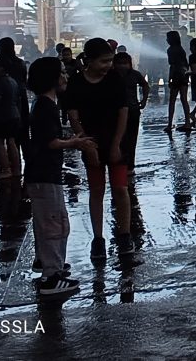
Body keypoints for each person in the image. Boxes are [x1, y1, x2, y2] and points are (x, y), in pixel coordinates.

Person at [26, 56, 96, 297]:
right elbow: (50, 142)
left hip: (42, 175)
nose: (66, 76)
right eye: (62, 73)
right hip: (45, 175)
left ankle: (46, 262)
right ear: (51, 79)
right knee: (54, 224)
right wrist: (75, 142)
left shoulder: (43, 104)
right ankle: (51, 276)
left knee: (48, 222)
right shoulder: (45, 106)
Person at [64, 38, 134, 265]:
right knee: (96, 191)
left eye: (110, 61)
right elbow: (73, 116)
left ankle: (124, 235)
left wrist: (116, 144)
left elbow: (123, 112)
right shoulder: (76, 82)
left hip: (116, 141)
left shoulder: (115, 79)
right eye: (103, 61)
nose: (108, 65)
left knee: (121, 189)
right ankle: (98, 238)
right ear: (89, 61)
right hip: (90, 142)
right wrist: (86, 143)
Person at [113, 52, 149, 174]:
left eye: (125, 63)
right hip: (116, 112)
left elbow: (145, 85)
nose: (122, 66)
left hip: (133, 111)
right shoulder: (111, 76)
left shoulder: (135, 74)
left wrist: (144, 100)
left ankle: (129, 165)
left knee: (132, 138)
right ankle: (121, 162)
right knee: (120, 138)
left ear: (130, 64)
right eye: (119, 63)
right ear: (114, 64)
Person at [0, 55, 23, 180]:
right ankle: (17, 169)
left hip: (3, 115)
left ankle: (7, 169)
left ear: (1, 68)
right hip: (14, 114)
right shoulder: (12, 81)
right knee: (12, 141)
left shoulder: (0, 82)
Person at [164, 31, 192, 134]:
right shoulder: (181, 49)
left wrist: (170, 79)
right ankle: (187, 122)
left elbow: (173, 66)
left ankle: (169, 124)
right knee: (184, 99)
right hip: (184, 76)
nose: (166, 40)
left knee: (172, 100)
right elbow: (185, 64)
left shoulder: (170, 50)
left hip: (176, 76)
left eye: (167, 38)